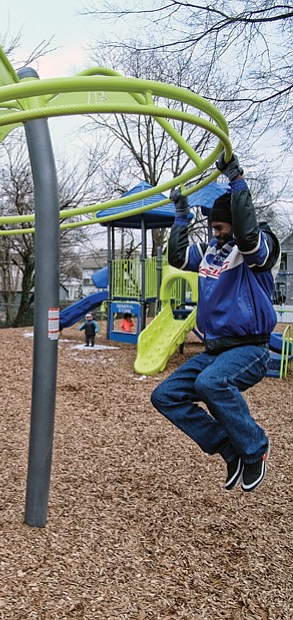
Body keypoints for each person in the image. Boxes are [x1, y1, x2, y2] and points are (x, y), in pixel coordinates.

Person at [151, 153, 280, 493]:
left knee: (212, 383)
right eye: (214, 229)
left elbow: (250, 238)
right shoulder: (213, 251)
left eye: (222, 228)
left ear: (236, 223)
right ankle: (228, 449)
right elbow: (178, 257)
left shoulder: (258, 250)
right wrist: (181, 216)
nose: (217, 234)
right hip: (215, 349)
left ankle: (255, 449)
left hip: (250, 348)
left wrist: (236, 180)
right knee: (165, 395)